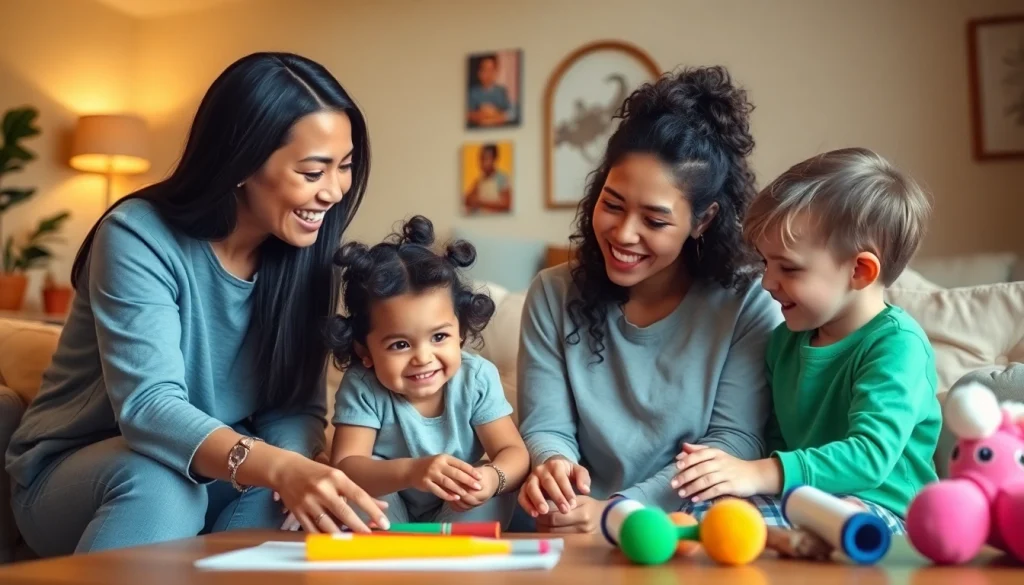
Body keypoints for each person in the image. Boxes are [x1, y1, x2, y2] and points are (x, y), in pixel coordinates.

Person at [4, 52, 390, 556]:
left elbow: (293, 408)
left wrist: (298, 479)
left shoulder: (309, 255)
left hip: (221, 474)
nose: (335, 191)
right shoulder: (137, 235)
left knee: (292, 508)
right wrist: (283, 467)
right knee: (165, 484)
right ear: (242, 161)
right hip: (80, 475)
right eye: (313, 172)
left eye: (344, 167)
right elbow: (149, 409)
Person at [515, 65, 784, 533]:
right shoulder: (552, 293)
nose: (623, 234)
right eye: (612, 204)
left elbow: (734, 441)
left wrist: (619, 510)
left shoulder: (748, 303)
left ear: (703, 221)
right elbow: (546, 425)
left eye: (655, 221)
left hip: (686, 522)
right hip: (570, 521)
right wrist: (554, 466)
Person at [672, 147, 941, 532]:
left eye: (789, 268)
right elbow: (777, 439)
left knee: (805, 526)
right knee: (714, 514)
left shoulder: (897, 346)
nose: (767, 282)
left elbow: (870, 456)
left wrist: (759, 473)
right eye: (766, 263)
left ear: (860, 271)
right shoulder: (785, 342)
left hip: (887, 513)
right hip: (804, 499)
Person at [324, 216, 529, 527]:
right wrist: (413, 472)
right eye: (400, 345)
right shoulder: (362, 385)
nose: (423, 357)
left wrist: (491, 478)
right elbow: (347, 466)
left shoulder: (476, 378)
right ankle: (392, 564)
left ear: (460, 332)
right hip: (390, 507)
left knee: (493, 494)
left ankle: (456, 567)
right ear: (364, 351)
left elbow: (512, 452)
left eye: (439, 337)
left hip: (460, 505)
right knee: (355, 493)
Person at [467, 54, 512, 128]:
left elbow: (508, 113)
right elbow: (468, 114)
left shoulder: (501, 91)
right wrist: (481, 114)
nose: (488, 74)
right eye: (484, 70)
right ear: (479, 73)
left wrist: (494, 114)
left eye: (491, 70)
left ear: (496, 72)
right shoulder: (473, 92)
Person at [464, 144, 511, 213]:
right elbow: (467, 199)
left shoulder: (502, 178)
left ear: (494, 159)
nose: (483, 163)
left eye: (486, 159)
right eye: (481, 159)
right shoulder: (479, 180)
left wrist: (480, 202)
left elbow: (506, 204)